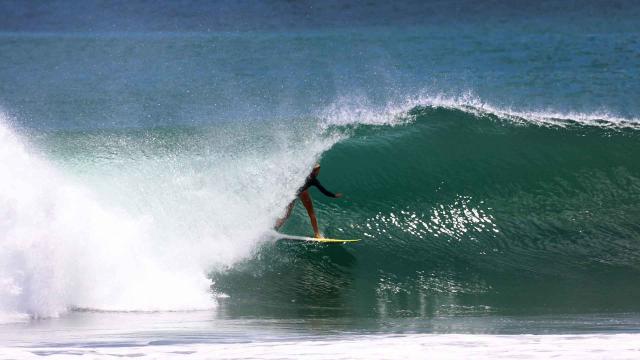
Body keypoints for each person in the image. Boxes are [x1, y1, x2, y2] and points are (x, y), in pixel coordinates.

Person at [275, 163, 342, 238]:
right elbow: (324, 191)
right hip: (296, 193)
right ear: (316, 171)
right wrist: (334, 195)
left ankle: (276, 227)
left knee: (287, 214)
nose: (318, 172)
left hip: (294, 193)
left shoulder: (304, 174)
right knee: (311, 213)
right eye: (318, 171)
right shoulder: (313, 180)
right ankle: (317, 234)